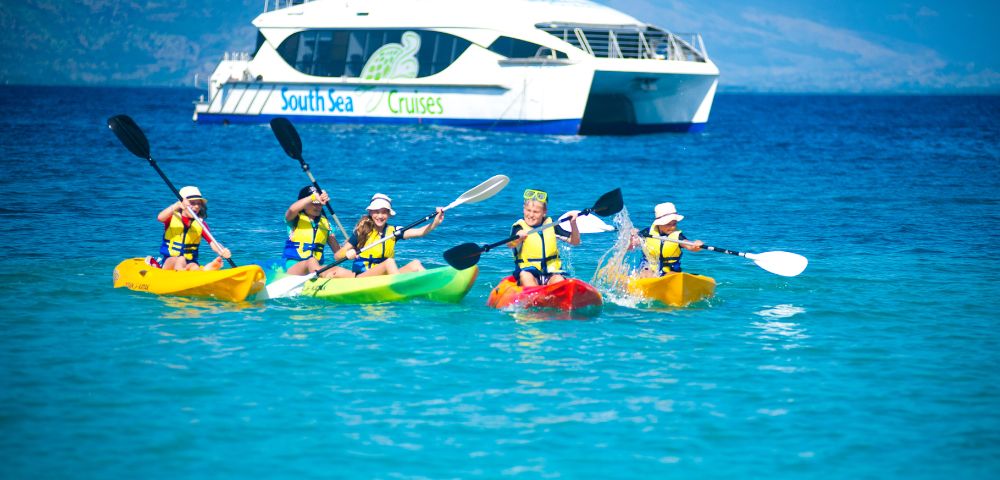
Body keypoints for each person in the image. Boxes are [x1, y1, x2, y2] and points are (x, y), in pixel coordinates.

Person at [331, 193, 443, 277]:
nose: (380, 216)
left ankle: (433, 287)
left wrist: (436, 222)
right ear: (370, 212)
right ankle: (400, 288)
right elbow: (337, 256)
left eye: (384, 212)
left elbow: (420, 232)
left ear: (389, 214)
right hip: (363, 277)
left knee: (415, 264)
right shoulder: (362, 231)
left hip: (385, 277)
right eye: (376, 211)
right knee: (389, 262)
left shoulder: (394, 231)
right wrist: (347, 254)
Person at [507, 188, 579, 286]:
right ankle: (534, 297)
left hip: (551, 273)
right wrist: (519, 238)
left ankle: (557, 296)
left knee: (559, 279)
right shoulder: (519, 227)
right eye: (528, 210)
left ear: (544, 212)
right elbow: (510, 244)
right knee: (526, 276)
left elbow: (575, 241)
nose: (531, 215)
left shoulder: (551, 225)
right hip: (528, 273)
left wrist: (573, 223)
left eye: (536, 212)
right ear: (523, 208)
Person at [154, 186, 231, 271]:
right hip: (170, 260)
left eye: (199, 203)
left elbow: (212, 242)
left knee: (194, 266)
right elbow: (160, 217)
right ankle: (182, 272)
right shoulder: (172, 217)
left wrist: (221, 250)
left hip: (190, 261)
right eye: (192, 203)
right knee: (180, 259)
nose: (197, 206)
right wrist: (176, 205)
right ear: (182, 204)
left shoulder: (200, 224)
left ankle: (204, 270)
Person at [281, 185, 349, 277]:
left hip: (316, 268)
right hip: (294, 268)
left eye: (320, 203)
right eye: (314, 202)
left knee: (337, 269)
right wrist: (313, 197)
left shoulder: (326, 224)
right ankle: (324, 276)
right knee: (311, 261)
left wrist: (349, 247)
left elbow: (338, 253)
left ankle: (359, 277)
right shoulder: (293, 219)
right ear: (304, 204)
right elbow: (292, 209)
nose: (318, 206)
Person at [631, 202, 703, 277]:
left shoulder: (678, 236)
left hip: (670, 272)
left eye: (674, 224)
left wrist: (696, 245)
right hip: (648, 270)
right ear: (659, 223)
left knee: (671, 274)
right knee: (646, 272)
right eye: (668, 224)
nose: (672, 227)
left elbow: (689, 245)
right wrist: (632, 236)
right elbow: (631, 246)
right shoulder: (646, 233)